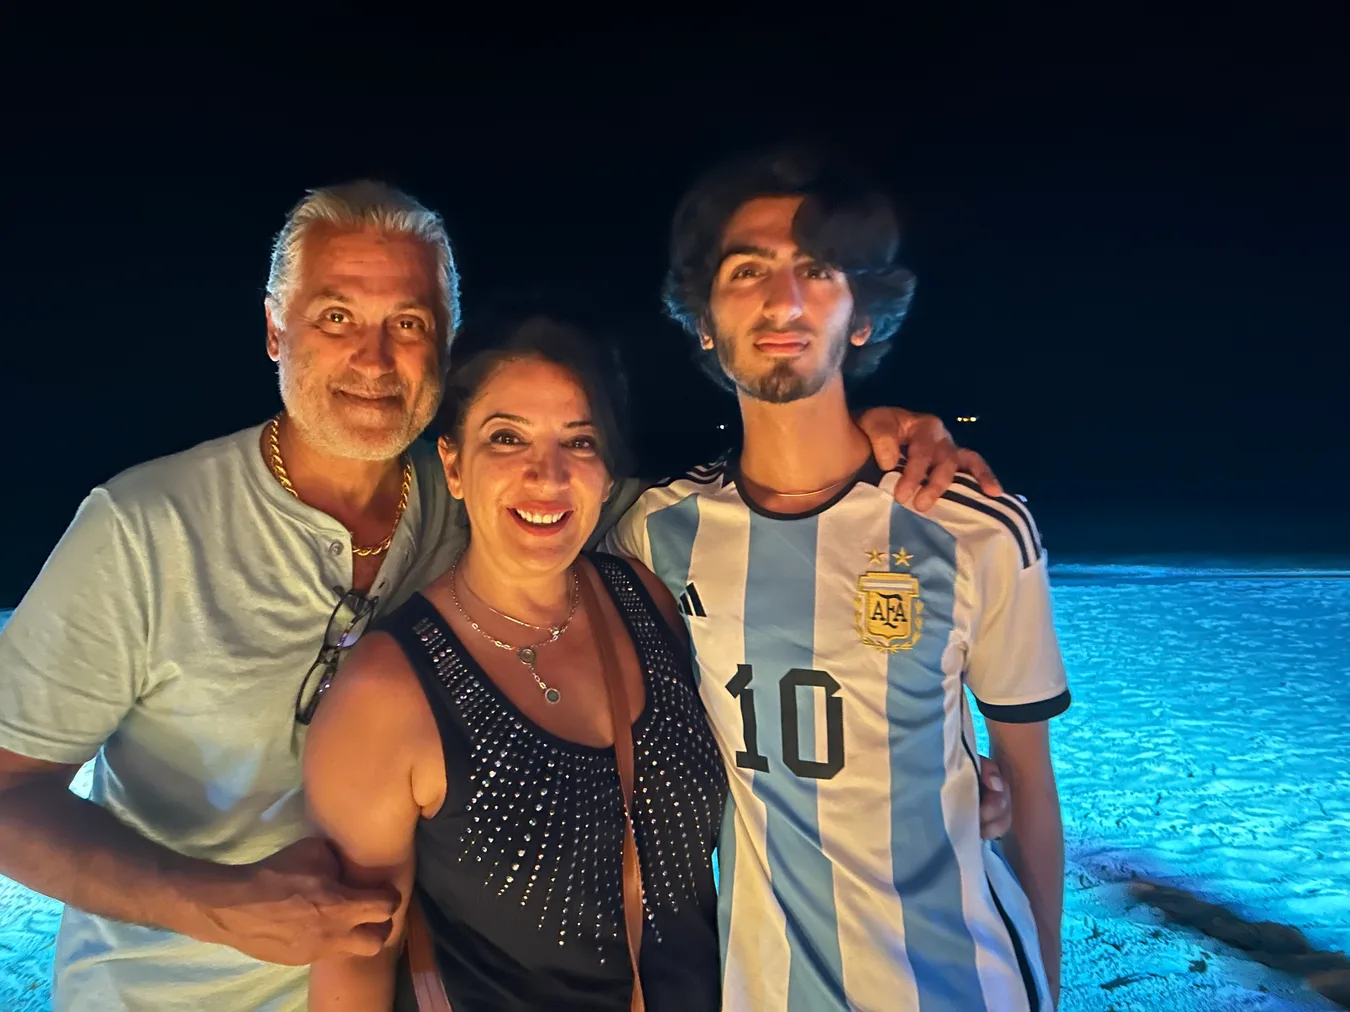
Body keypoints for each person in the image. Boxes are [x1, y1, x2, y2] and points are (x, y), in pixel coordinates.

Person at [0, 179, 1000, 1011]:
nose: (374, 357)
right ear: (273, 329)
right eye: (336, 317)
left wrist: (879, 439)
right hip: (166, 991)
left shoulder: (488, 500)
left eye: (409, 324)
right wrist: (211, 905)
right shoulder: (143, 529)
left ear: (444, 346)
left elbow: (742, 528)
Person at [606, 146, 1070, 1011]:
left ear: (863, 314)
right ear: (702, 318)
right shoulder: (652, 533)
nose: (783, 299)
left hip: (964, 987)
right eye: (747, 270)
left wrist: (1048, 980)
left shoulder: (977, 530)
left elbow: (1030, 787)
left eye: (817, 270)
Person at [304, 316, 727, 1010]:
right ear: (452, 464)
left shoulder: (648, 602)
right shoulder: (388, 692)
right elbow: (354, 961)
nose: (547, 474)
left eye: (579, 442)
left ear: (606, 469)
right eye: (507, 438)